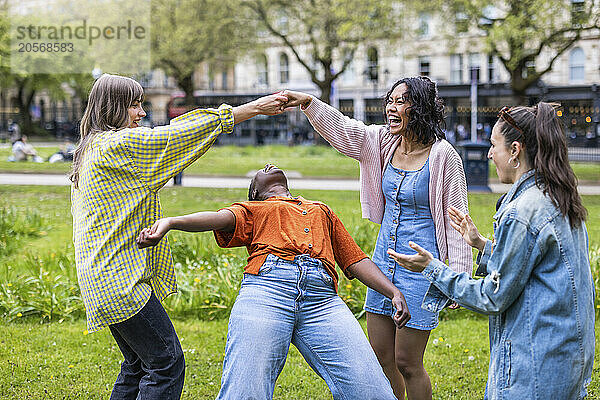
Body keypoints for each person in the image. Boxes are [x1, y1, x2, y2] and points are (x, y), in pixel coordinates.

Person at [70, 73, 288, 400]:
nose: (142, 113)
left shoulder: (91, 147)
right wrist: (255, 107)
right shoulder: (118, 146)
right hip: (119, 282)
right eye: (133, 105)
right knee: (166, 362)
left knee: (137, 364)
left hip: (101, 279)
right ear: (113, 108)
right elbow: (181, 133)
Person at [137, 164, 411, 400]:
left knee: (372, 389)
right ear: (255, 193)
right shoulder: (255, 210)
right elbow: (218, 218)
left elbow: (355, 259)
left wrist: (393, 292)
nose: (269, 165)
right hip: (267, 291)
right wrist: (172, 222)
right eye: (260, 172)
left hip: (323, 302)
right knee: (245, 391)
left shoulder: (321, 211)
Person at [388, 103, 595, 399]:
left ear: (514, 150)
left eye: (493, 145)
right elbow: (535, 265)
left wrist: (431, 267)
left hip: (532, 368)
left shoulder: (522, 211)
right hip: (564, 359)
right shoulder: (557, 196)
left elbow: (492, 296)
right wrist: (482, 245)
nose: (488, 154)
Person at [283, 76, 472, 400]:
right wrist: (308, 102)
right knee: (381, 357)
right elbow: (345, 129)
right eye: (390, 101)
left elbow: (457, 220)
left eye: (401, 101)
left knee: (407, 362)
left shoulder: (443, 156)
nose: (391, 108)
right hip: (384, 263)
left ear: (421, 108)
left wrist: (457, 276)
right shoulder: (383, 142)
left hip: (422, 268)